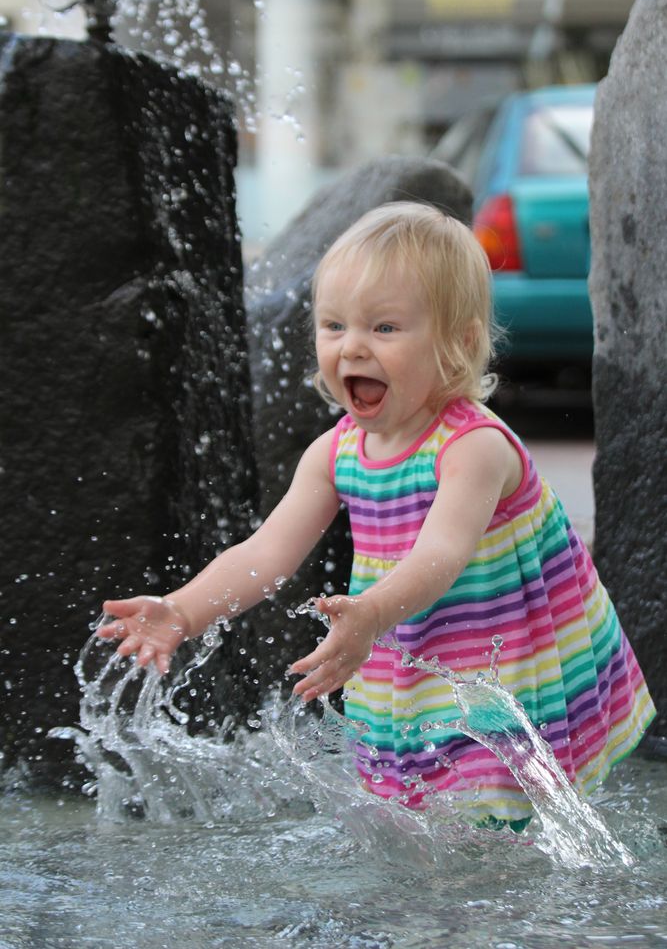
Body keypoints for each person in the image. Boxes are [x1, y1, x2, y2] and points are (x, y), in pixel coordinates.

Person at [99, 201, 655, 828]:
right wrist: (184, 609)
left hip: (506, 661)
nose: (352, 347)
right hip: (409, 655)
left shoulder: (473, 446)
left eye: (385, 329)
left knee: (503, 823)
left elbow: (440, 555)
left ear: (459, 342)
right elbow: (265, 553)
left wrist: (369, 613)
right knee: (412, 813)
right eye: (334, 326)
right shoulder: (334, 452)